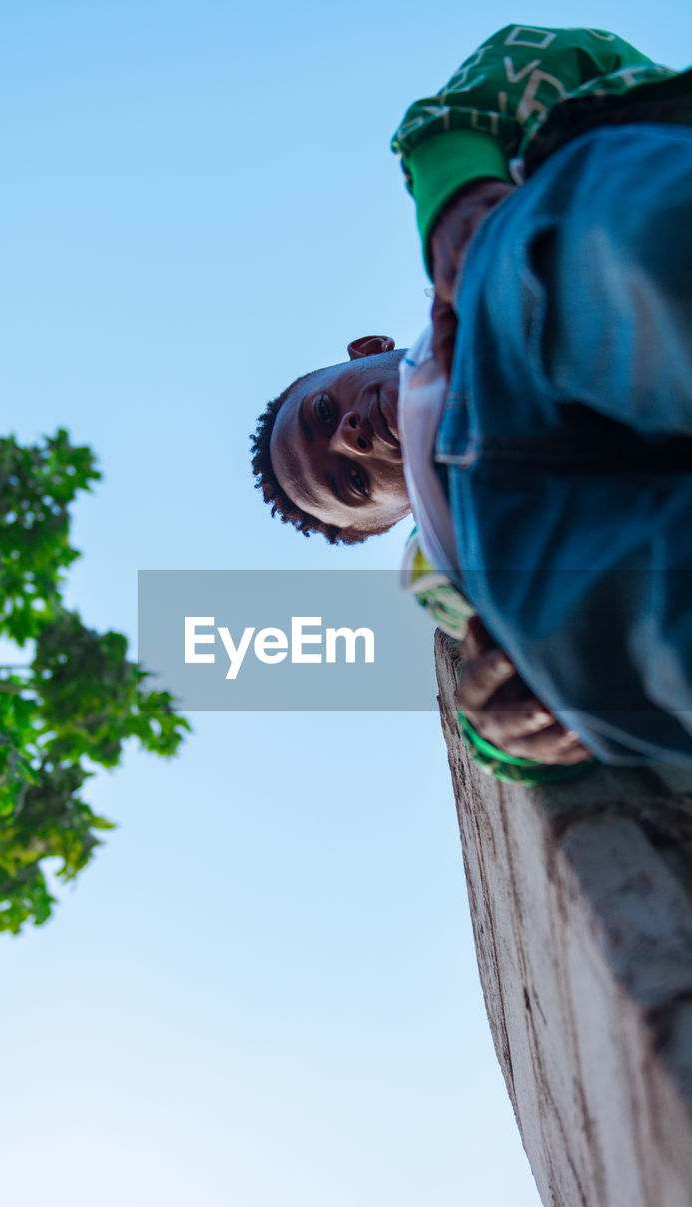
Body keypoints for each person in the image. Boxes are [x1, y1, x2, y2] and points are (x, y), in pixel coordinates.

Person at [251, 25, 692, 774]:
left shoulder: (477, 257)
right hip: (538, 529)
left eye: (325, 412)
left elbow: (532, 64)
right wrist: (502, 737)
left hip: (520, 312)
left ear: (361, 352)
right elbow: (493, 715)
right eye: (348, 480)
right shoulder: (441, 571)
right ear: (389, 521)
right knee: (571, 632)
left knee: (563, 252)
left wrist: (453, 192)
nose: (351, 434)